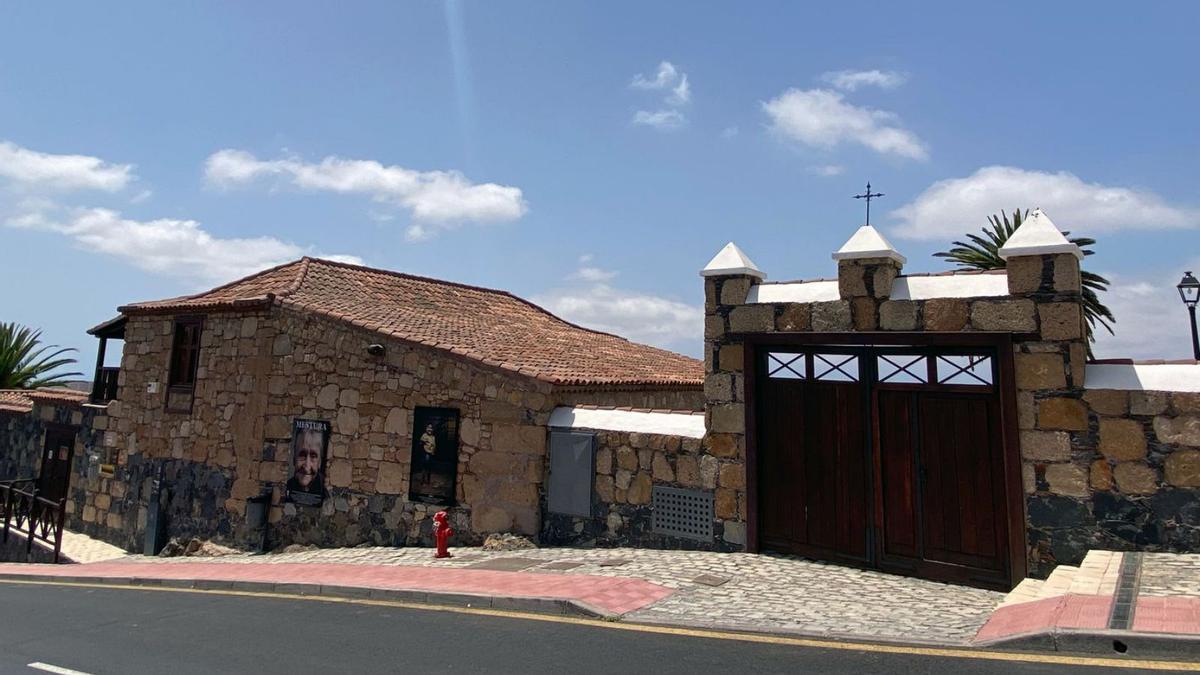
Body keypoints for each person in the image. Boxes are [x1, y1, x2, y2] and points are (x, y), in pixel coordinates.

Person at [286, 427, 325, 502]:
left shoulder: (326, 496)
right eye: (302, 455)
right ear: (294, 457)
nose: (307, 467)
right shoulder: (286, 488)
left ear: (320, 462)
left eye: (313, 456)